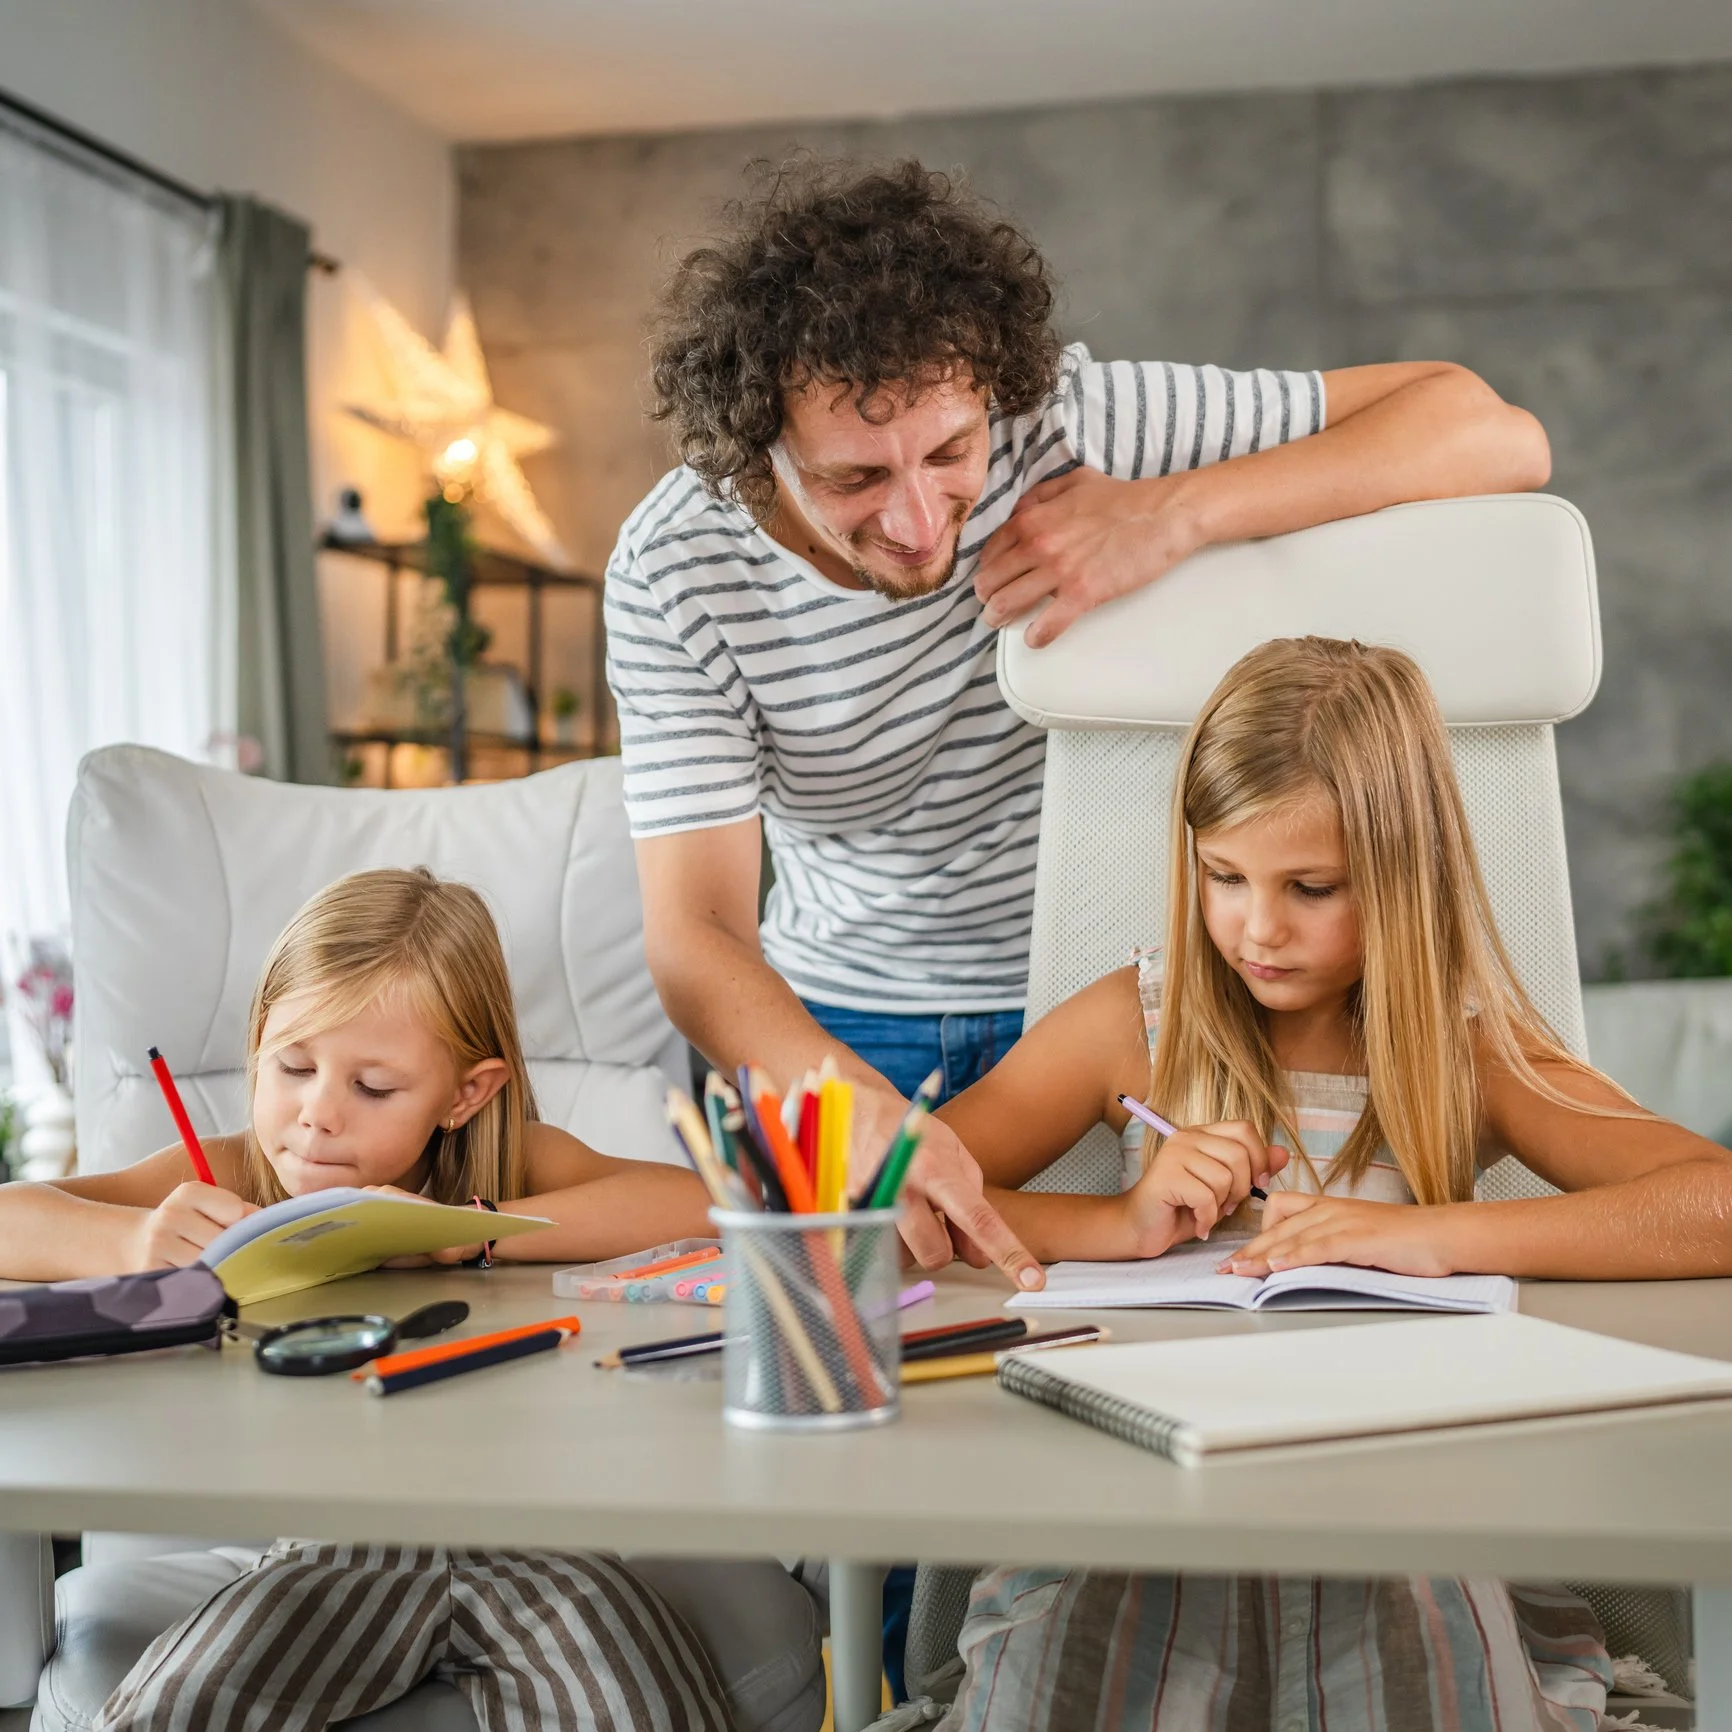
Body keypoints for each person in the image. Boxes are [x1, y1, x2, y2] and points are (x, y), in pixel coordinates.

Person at [609, 157, 1554, 1304]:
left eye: (951, 453)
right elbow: (695, 932)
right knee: (844, 1354)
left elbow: (1490, 430)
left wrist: (1169, 513)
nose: (916, 524)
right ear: (757, 438)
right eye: (854, 476)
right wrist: (847, 1098)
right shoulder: (673, 571)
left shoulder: (1069, 421)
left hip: (1087, 1015)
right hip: (836, 1025)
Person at [920, 636, 1732, 1732]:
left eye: (1311, 887)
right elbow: (892, 1196)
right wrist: (1117, 1219)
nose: (1258, 926)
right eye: (1224, 876)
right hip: (1149, 1495)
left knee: (1408, 1641)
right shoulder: (1136, 1024)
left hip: (1394, 1504)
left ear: (1400, 875)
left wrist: (1436, 1235)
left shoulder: (1464, 1048)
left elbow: (1713, 1200)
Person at [0, 868, 768, 1732]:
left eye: (373, 1088)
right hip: (331, 1555)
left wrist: (476, 1226)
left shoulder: (501, 1165)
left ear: (465, 1094)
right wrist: (128, 1244)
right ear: (256, 1045)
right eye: (292, 1066)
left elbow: (715, 1202)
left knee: (646, 1706)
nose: (318, 1116)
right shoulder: (224, 1173)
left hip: (543, 1545)